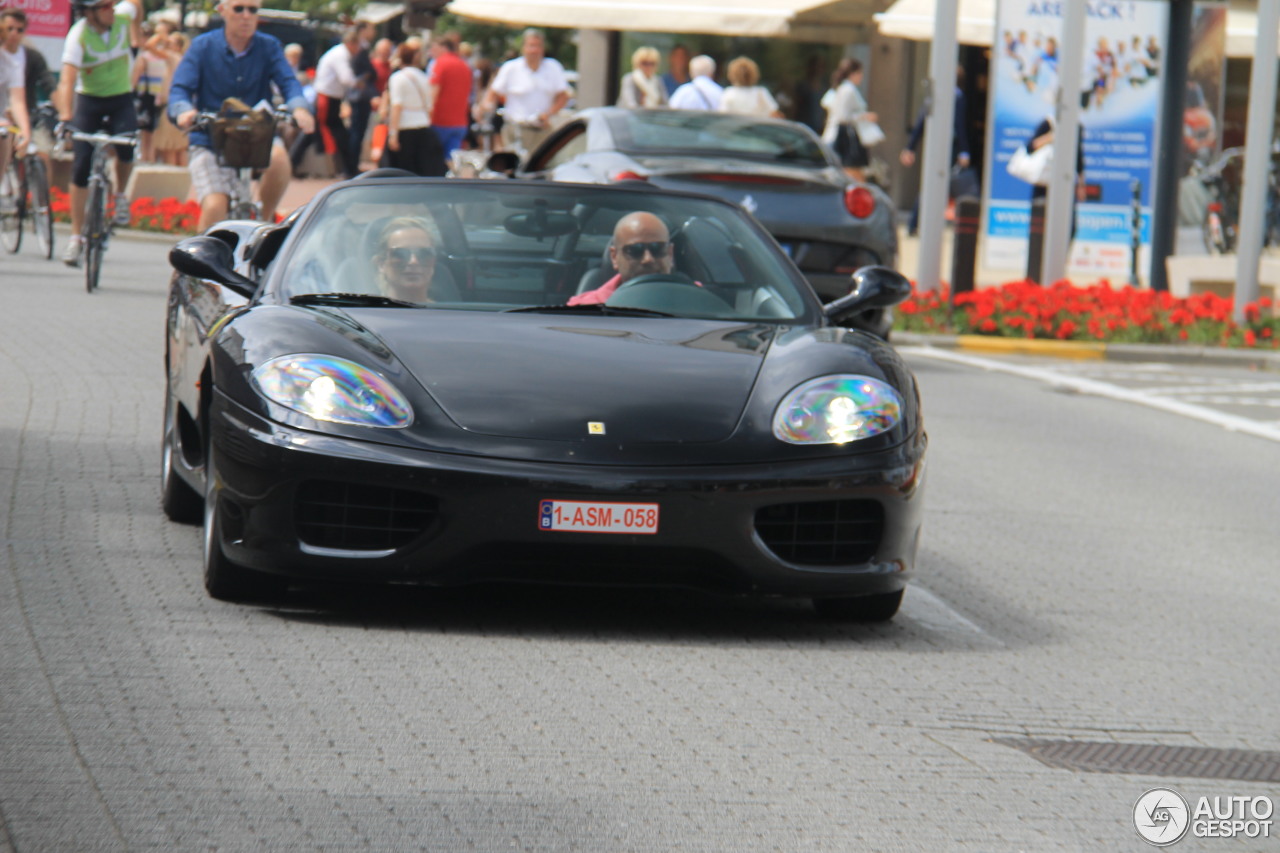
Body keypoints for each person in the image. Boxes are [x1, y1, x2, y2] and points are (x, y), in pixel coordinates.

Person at [167, 0, 315, 231]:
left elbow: (288, 82)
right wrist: (184, 110)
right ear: (222, 10)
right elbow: (180, 89)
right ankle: (197, 263)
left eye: (252, 9)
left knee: (278, 159)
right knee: (216, 205)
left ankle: (263, 223)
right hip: (210, 139)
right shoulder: (202, 46)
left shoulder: (269, 46)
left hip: (256, 135)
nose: (246, 15)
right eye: (239, 8)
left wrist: (300, 108)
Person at [55, 0, 141, 266]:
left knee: (127, 146)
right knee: (81, 166)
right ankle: (75, 239)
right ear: (89, 12)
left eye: (112, 4)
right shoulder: (78, 34)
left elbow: (135, 4)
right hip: (89, 101)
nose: (112, 10)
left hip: (121, 98)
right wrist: (66, 117)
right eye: (105, 7)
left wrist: (135, 25)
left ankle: (120, 194)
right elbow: (68, 79)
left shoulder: (123, 19)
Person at [473, 29, 570, 155]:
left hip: (542, 128)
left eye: (538, 46)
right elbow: (493, 92)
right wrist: (485, 107)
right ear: (524, 47)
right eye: (531, 45)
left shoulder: (553, 67)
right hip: (515, 128)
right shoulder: (511, 68)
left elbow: (563, 96)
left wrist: (549, 114)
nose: (534, 50)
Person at [899, 67, 971, 235]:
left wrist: (910, 147)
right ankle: (923, 223)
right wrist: (964, 151)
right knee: (938, 185)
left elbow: (920, 122)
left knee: (930, 184)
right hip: (949, 147)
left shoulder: (934, 96)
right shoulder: (957, 96)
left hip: (933, 145)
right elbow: (960, 126)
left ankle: (915, 224)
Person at [568, 212, 675, 306]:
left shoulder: (691, 299)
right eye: (635, 250)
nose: (648, 259)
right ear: (614, 257)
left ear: (670, 254)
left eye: (657, 248)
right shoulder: (584, 310)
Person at [383, 41, 444, 177]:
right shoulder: (424, 76)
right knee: (421, 170)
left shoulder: (397, 77)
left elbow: (396, 106)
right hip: (423, 125)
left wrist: (393, 134)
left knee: (402, 171)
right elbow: (430, 106)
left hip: (405, 127)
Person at [313, 28, 361, 179]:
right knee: (328, 132)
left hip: (332, 98)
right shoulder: (341, 55)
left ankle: (347, 166)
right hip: (327, 98)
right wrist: (359, 83)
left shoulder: (340, 53)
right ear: (351, 43)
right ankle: (346, 167)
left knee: (337, 133)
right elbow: (346, 78)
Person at [821, 58, 876, 182]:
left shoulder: (840, 88)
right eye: (860, 73)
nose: (862, 77)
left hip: (834, 136)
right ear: (853, 73)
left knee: (845, 173)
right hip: (842, 138)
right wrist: (864, 116)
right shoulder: (848, 90)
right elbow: (843, 116)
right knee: (852, 173)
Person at [372, 217, 442, 304]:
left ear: (433, 262)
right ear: (381, 264)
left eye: (424, 254)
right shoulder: (365, 315)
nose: (413, 261)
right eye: (400, 254)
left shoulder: (448, 315)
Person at [427, 34, 472, 163]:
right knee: (451, 161)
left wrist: (427, 115)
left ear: (444, 47)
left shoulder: (440, 63)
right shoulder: (464, 65)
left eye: (433, 48)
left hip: (440, 121)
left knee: (434, 162)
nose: (431, 52)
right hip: (460, 122)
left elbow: (433, 94)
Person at [131, 33, 171, 161]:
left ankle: (147, 158)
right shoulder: (165, 57)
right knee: (151, 130)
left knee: (147, 131)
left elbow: (135, 78)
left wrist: (160, 34)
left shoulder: (147, 56)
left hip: (148, 96)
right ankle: (150, 158)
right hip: (158, 96)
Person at [152, 30, 188, 167]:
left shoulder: (173, 57)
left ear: (178, 46)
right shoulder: (183, 59)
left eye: (171, 43)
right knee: (180, 149)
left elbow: (149, 46)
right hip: (179, 105)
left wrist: (161, 36)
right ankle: (183, 181)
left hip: (170, 106)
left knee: (170, 148)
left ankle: (174, 179)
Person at [717, 56, 781, 118]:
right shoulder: (761, 92)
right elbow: (775, 114)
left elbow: (723, 116)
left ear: (732, 74)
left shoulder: (729, 93)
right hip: (759, 127)